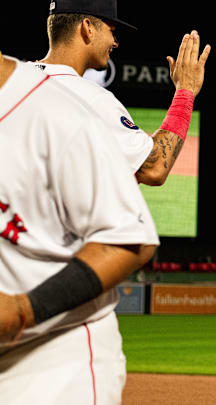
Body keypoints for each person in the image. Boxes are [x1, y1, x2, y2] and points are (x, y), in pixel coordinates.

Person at [0, 51, 159, 404]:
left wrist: (23, 309)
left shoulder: (62, 106)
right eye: (111, 29)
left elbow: (130, 236)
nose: (116, 43)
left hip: (50, 360)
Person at [32, 0, 210, 185]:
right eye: (112, 31)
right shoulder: (91, 100)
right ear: (88, 28)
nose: (115, 43)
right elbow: (154, 168)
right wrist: (185, 91)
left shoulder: (12, 80)